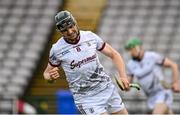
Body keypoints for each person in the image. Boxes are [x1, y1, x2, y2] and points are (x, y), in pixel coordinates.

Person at [43, 10, 130, 115]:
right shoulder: (57, 49)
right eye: (65, 30)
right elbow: (46, 74)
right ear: (60, 32)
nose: (70, 32)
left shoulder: (90, 37)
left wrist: (123, 76)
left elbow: (114, 54)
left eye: (71, 26)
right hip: (86, 98)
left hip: (107, 89)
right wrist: (50, 78)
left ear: (75, 23)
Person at [124, 38, 180, 114]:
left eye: (132, 49)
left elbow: (173, 65)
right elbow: (129, 85)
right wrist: (125, 86)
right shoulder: (130, 65)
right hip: (151, 97)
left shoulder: (152, 56)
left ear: (138, 48)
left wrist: (176, 83)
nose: (130, 53)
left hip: (162, 92)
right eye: (129, 50)